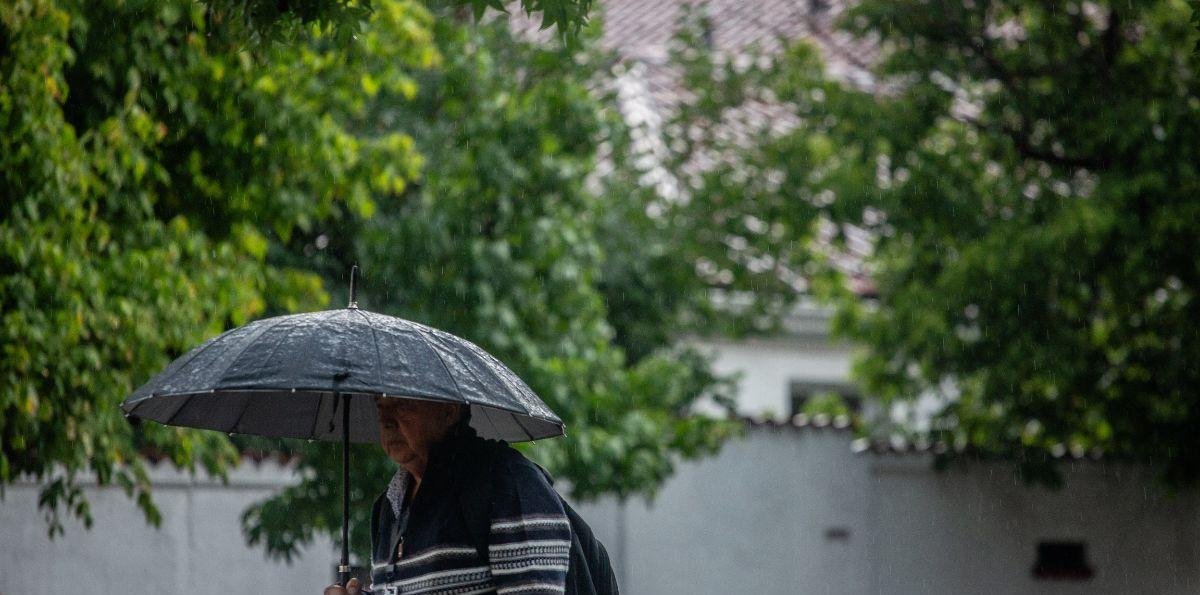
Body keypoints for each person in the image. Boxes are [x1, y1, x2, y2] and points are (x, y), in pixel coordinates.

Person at [324, 397, 593, 595]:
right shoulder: (388, 507)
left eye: (402, 405)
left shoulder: (507, 483)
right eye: (380, 406)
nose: (386, 420)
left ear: (449, 410)